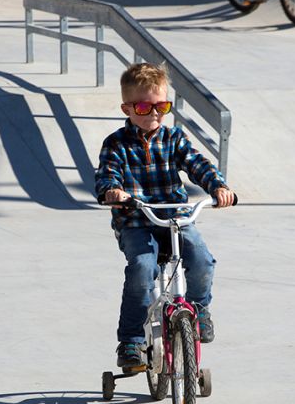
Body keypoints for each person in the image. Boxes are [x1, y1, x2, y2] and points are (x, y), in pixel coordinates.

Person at [94, 63, 235, 368]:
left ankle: (199, 309)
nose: (155, 113)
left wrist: (218, 186)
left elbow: (198, 165)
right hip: (135, 222)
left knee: (200, 256)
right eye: (145, 107)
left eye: (163, 106)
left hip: (174, 218)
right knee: (142, 269)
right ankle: (130, 341)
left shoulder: (174, 139)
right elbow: (107, 175)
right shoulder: (116, 144)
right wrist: (112, 192)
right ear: (127, 108)